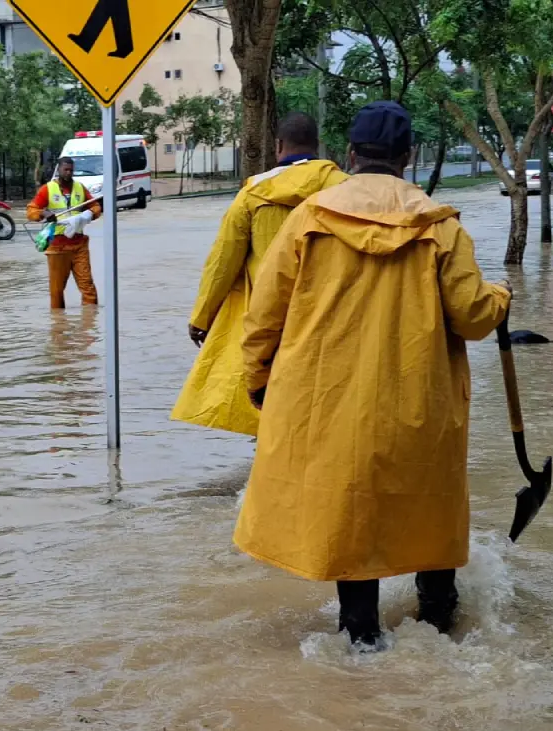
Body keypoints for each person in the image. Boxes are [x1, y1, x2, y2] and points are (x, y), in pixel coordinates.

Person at [235, 101, 512, 650]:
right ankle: (439, 624)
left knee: (350, 509)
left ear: (351, 154)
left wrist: (257, 379)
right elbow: (473, 317)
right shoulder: (440, 226)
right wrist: (501, 297)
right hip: (419, 398)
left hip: (330, 399)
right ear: (408, 156)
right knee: (428, 505)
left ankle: (361, 637)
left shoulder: (309, 218)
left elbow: (263, 315)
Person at [171, 112, 347, 436]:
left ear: (278, 146)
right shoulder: (344, 189)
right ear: (317, 145)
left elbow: (223, 261)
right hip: (330, 316)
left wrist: (201, 317)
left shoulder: (253, 194)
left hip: (268, 320)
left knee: (270, 408)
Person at [27, 157, 101, 309]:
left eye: (71, 170)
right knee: (57, 290)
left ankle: (90, 320)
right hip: (57, 246)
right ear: (58, 170)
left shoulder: (80, 188)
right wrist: (43, 213)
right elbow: (31, 211)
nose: (68, 173)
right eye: (65, 170)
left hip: (79, 244)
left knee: (88, 286)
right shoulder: (47, 189)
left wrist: (88, 214)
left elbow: (96, 207)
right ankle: (58, 321)